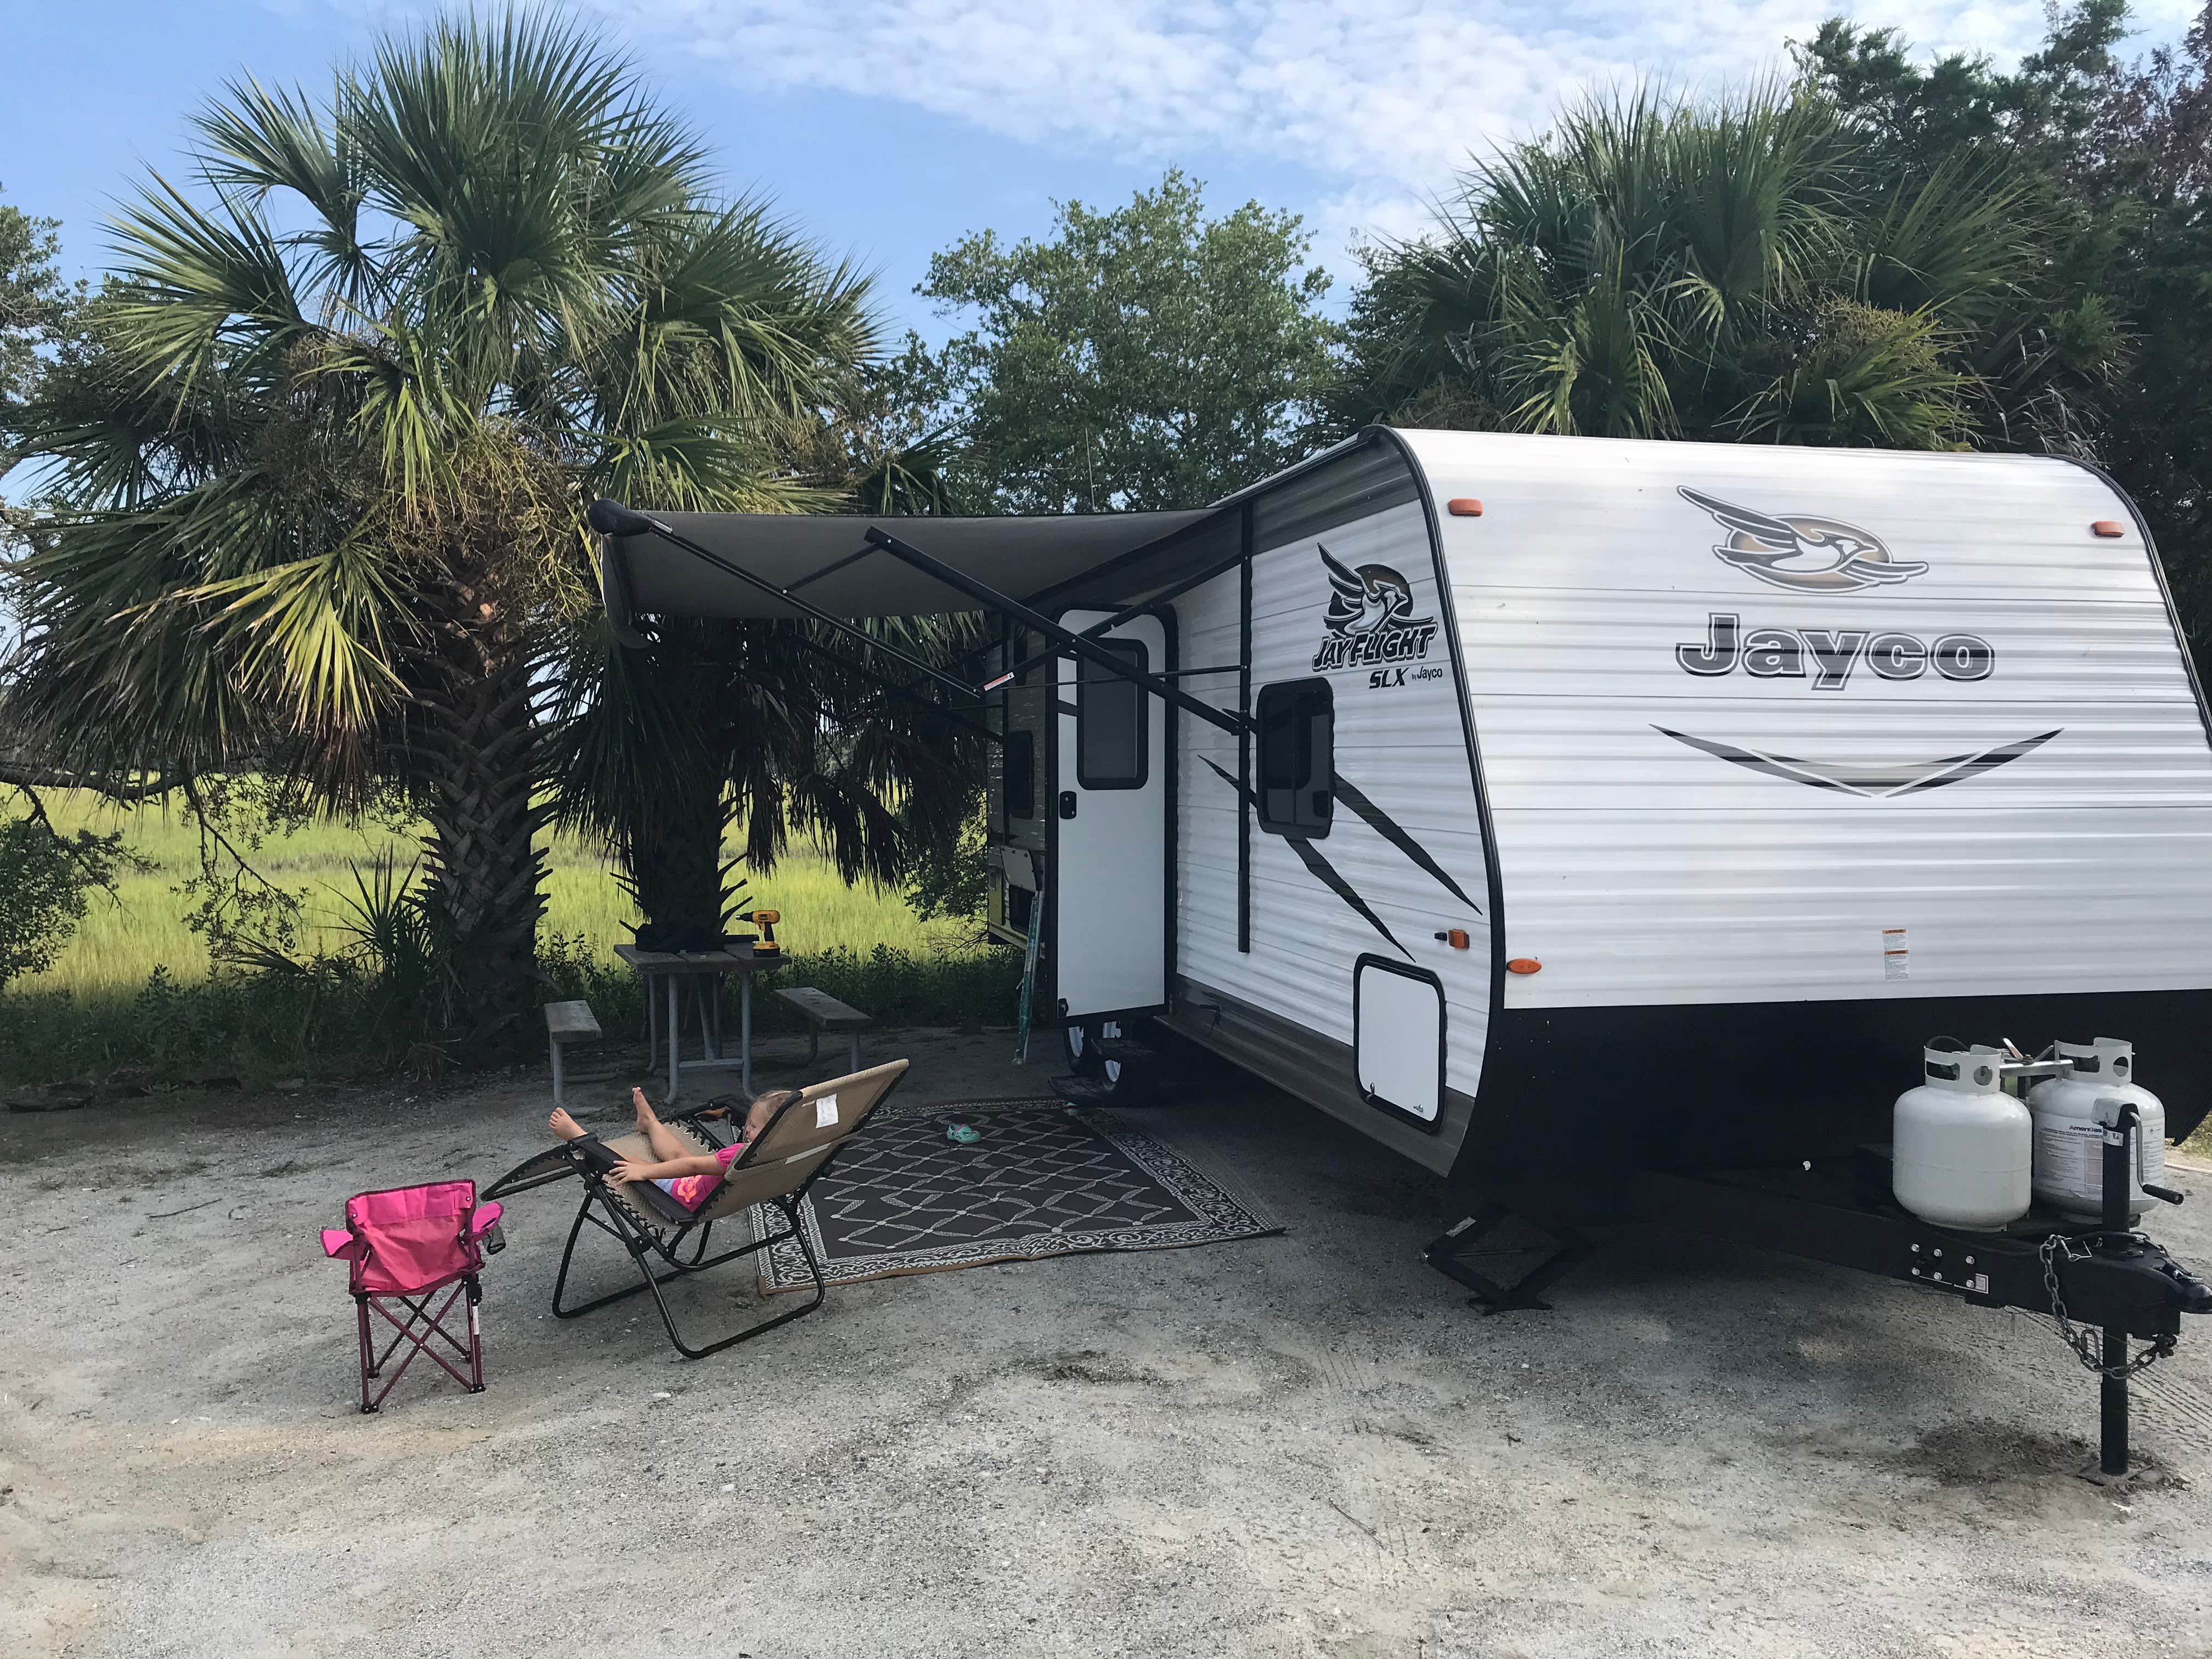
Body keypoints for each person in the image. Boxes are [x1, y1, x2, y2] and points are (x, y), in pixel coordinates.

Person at [549, 1085, 797, 1212]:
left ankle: (580, 1137)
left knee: (629, 1161)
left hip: (682, 1200)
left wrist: (646, 1172)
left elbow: (691, 1166)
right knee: (679, 1155)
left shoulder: (739, 1155)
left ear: (772, 1131)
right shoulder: (788, 1150)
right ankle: (650, 1123)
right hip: (708, 1190)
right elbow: (691, 1165)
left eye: (753, 1126)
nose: (747, 1130)